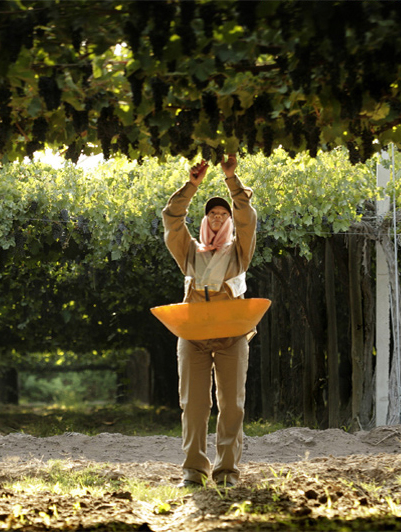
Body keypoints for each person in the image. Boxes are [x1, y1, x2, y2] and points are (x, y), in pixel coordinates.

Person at [161, 154, 257, 488]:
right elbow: (171, 218)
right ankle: (193, 470)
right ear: (205, 220)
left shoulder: (239, 251)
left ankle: (227, 471)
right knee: (194, 404)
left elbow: (247, 219)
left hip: (232, 335)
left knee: (232, 405)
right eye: (212, 213)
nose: (217, 217)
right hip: (193, 335)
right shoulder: (189, 251)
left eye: (222, 214)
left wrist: (232, 181)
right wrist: (192, 185)